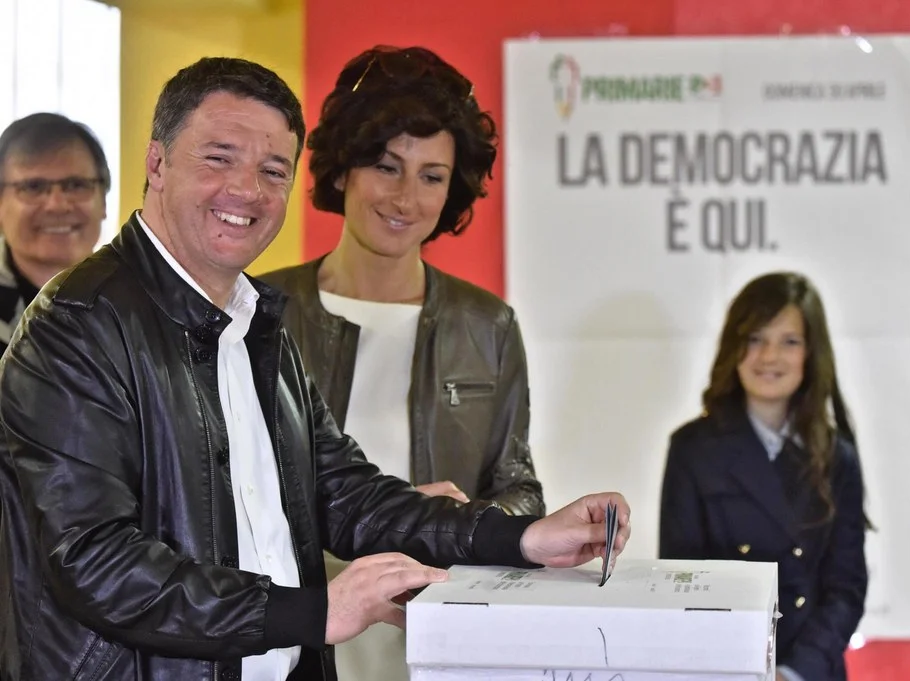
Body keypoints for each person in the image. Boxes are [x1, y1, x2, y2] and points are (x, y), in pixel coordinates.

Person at [0, 56, 631, 681]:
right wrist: (315, 611)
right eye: (219, 157)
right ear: (157, 164)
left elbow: (345, 494)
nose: (247, 190)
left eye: (272, 170)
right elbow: (94, 560)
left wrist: (524, 537)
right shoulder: (76, 323)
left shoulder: (256, 321)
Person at [260, 45, 544, 680]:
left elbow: (520, 488)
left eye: (432, 176)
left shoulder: (487, 325)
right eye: (386, 166)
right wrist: (378, 516)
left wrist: (449, 523)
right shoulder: (261, 313)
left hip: (437, 638)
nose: (406, 197)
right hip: (293, 635)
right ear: (343, 170)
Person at [658, 272, 868, 681]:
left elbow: (846, 589)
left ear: (811, 353)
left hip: (810, 670)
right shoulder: (692, 449)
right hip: (723, 667)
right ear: (733, 347)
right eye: (755, 338)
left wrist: (791, 672)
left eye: (789, 341)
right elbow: (680, 582)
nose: (770, 356)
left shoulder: (836, 455)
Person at [0, 112, 109, 351]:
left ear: (103, 202)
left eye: (76, 185)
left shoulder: (145, 301)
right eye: (33, 187)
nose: (57, 205)